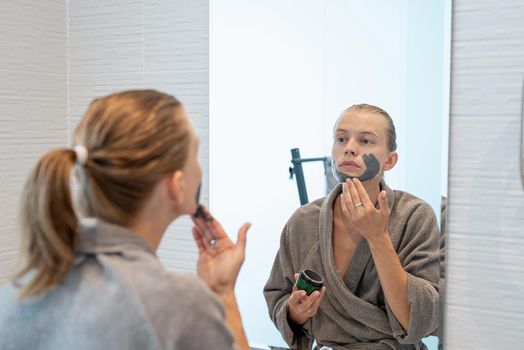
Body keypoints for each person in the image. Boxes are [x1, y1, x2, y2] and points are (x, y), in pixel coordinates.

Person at [0, 90, 250, 350]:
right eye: (195, 154)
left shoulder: (21, 289)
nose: (199, 168)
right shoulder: (178, 305)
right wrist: (223, 295)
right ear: (177, 186)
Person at [264, 104, 440, 350]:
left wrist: (378, 239)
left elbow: (420, 318)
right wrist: (296, 311)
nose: (350, 148)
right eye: (341, 139)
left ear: (390, 160)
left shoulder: (414, 216)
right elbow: (278, 295)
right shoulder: (303, 221)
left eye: (366, 141)